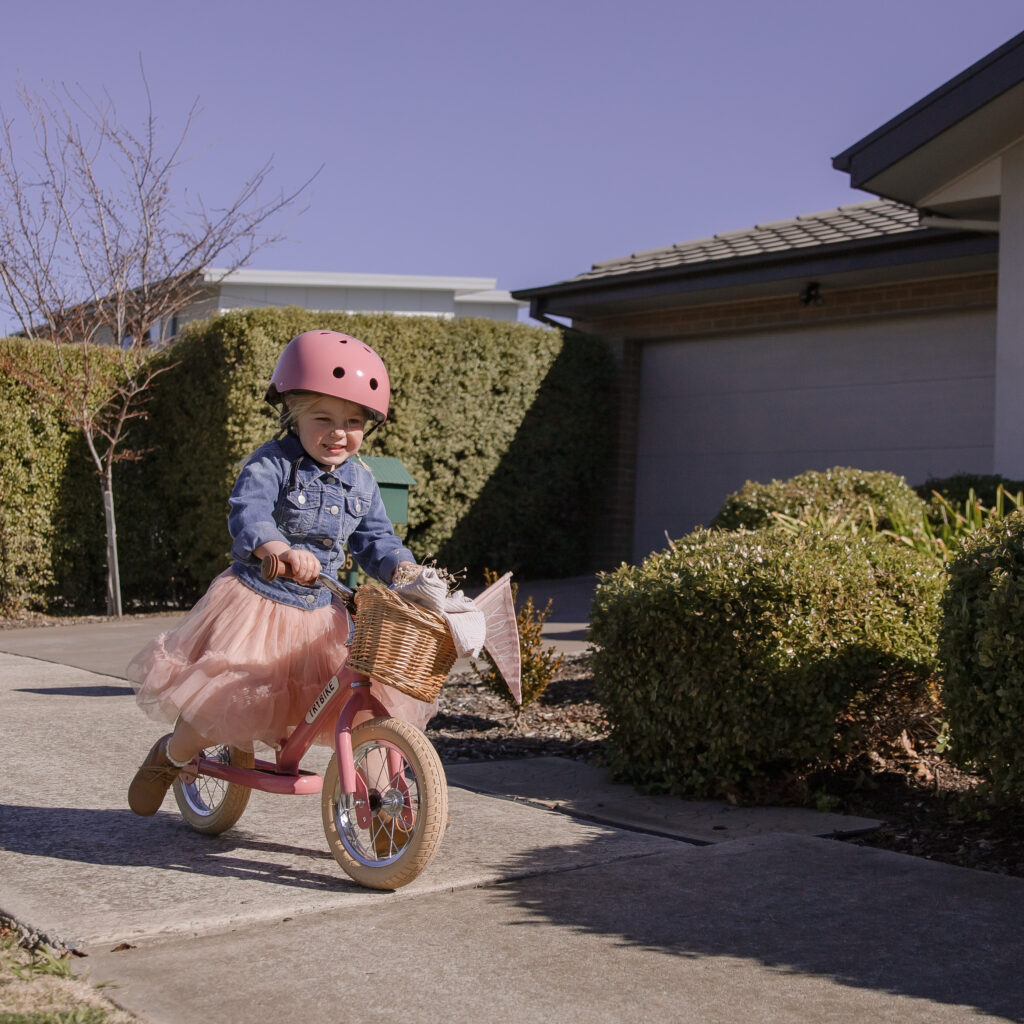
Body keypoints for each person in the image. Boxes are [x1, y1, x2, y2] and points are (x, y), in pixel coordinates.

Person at [127, 329, 428, 817]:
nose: (339, 433)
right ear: (292, 413)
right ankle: (173, 756)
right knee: (227, 697)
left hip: (322, 611)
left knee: (363, 699)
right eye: (323, 419)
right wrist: (278, 548)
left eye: (353, 422)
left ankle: (383, 813)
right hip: (261, 602)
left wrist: (404, 568)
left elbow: (376, 539)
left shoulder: (362, 480)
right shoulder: (273, 463)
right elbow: (249, 511)